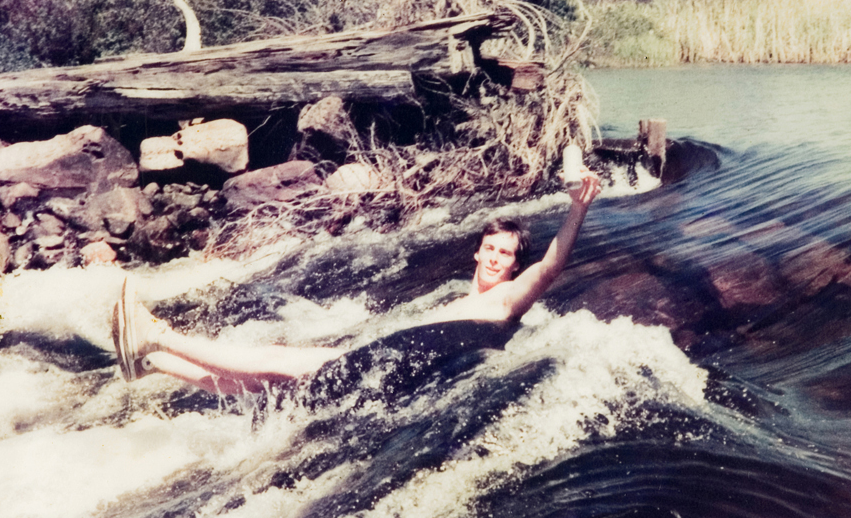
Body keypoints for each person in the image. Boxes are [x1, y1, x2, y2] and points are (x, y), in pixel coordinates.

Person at [112, 162, 601, 395]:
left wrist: (577, 209)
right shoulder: (457, 298)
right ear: (476, 252)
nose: (496, 258)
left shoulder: (508, 301)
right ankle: (153, 364)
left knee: (276, 359)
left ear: (516, 265)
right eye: (490, 249)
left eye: (506, 254)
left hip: (389, 373)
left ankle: (154, 334)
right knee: (268, 389)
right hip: (388, 364)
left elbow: (552, 265)